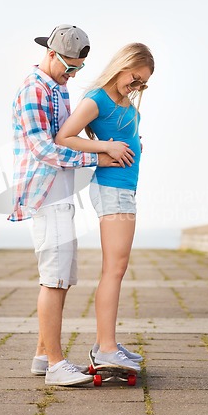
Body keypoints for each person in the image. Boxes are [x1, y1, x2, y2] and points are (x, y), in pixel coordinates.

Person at [7, 24, 134, 386]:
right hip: (44, 194)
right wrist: (99, 158)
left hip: (59, 195)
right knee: (55, 280)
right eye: (68, 66)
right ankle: (57, 366)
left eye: (78, 69)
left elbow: (71, 138)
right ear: (50, 53)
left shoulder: (56, 89)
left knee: (61, 276)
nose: (72, 74)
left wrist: (105, 143)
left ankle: (42, 355)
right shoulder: (34, 89)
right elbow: (44, 149)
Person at [56, 42, 155, 371]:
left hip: (125, 190)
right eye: (136, 78)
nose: (138, 86)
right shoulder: (97, 98)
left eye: (143, 82)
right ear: (123, 66)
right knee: (114, 269)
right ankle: (106, 349)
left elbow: (123, 136)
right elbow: (65, 137)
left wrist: (135, 144)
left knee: (117, 268)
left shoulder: (127, 103)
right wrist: (105, 147)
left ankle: (106, 343)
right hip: (111, 189)